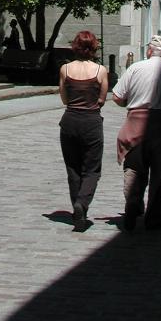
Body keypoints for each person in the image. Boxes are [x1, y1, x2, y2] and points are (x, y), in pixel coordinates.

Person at [112, 36, 161, 231]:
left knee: (133, 169)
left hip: (135, 125)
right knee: (159, 174)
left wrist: (129, 105)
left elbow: (117, 97)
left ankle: (132, 204)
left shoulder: (135, 68)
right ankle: (154, 217)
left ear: (149, 51)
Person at [58, 31, 108, 231]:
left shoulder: (65, 69)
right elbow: (102, 100)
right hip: (91, 121)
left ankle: (77, 211)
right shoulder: (100, 71)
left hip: (69, 120)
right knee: (92, 168)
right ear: (94, 47)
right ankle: (82, 203)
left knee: (73, 168)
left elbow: (63, 97)